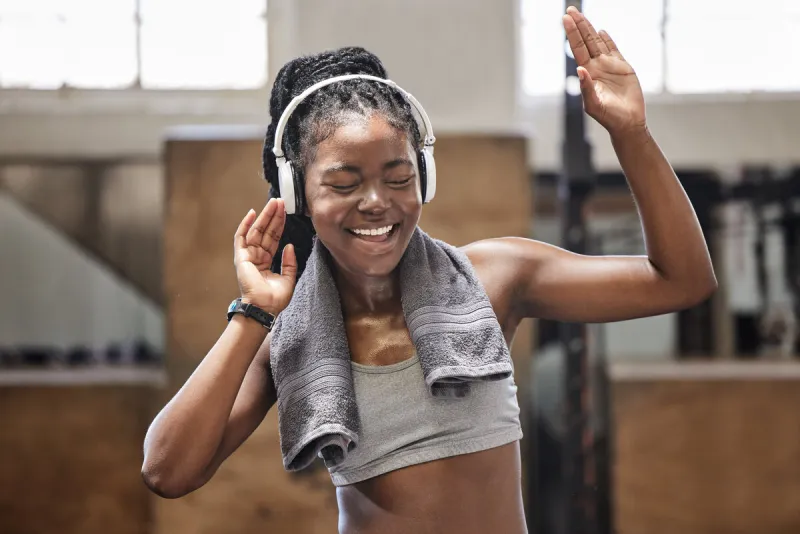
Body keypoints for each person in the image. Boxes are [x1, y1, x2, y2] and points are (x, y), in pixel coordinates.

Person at [141, 8, 716, 534]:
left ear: (425, 177)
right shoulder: (294, 334)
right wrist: (254, 315)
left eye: (398, 178)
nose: (376, 202)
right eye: (343, 184)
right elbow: (168, 472)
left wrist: (630, 134)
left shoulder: (495, 278)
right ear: (297, 196)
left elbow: (682, 280)